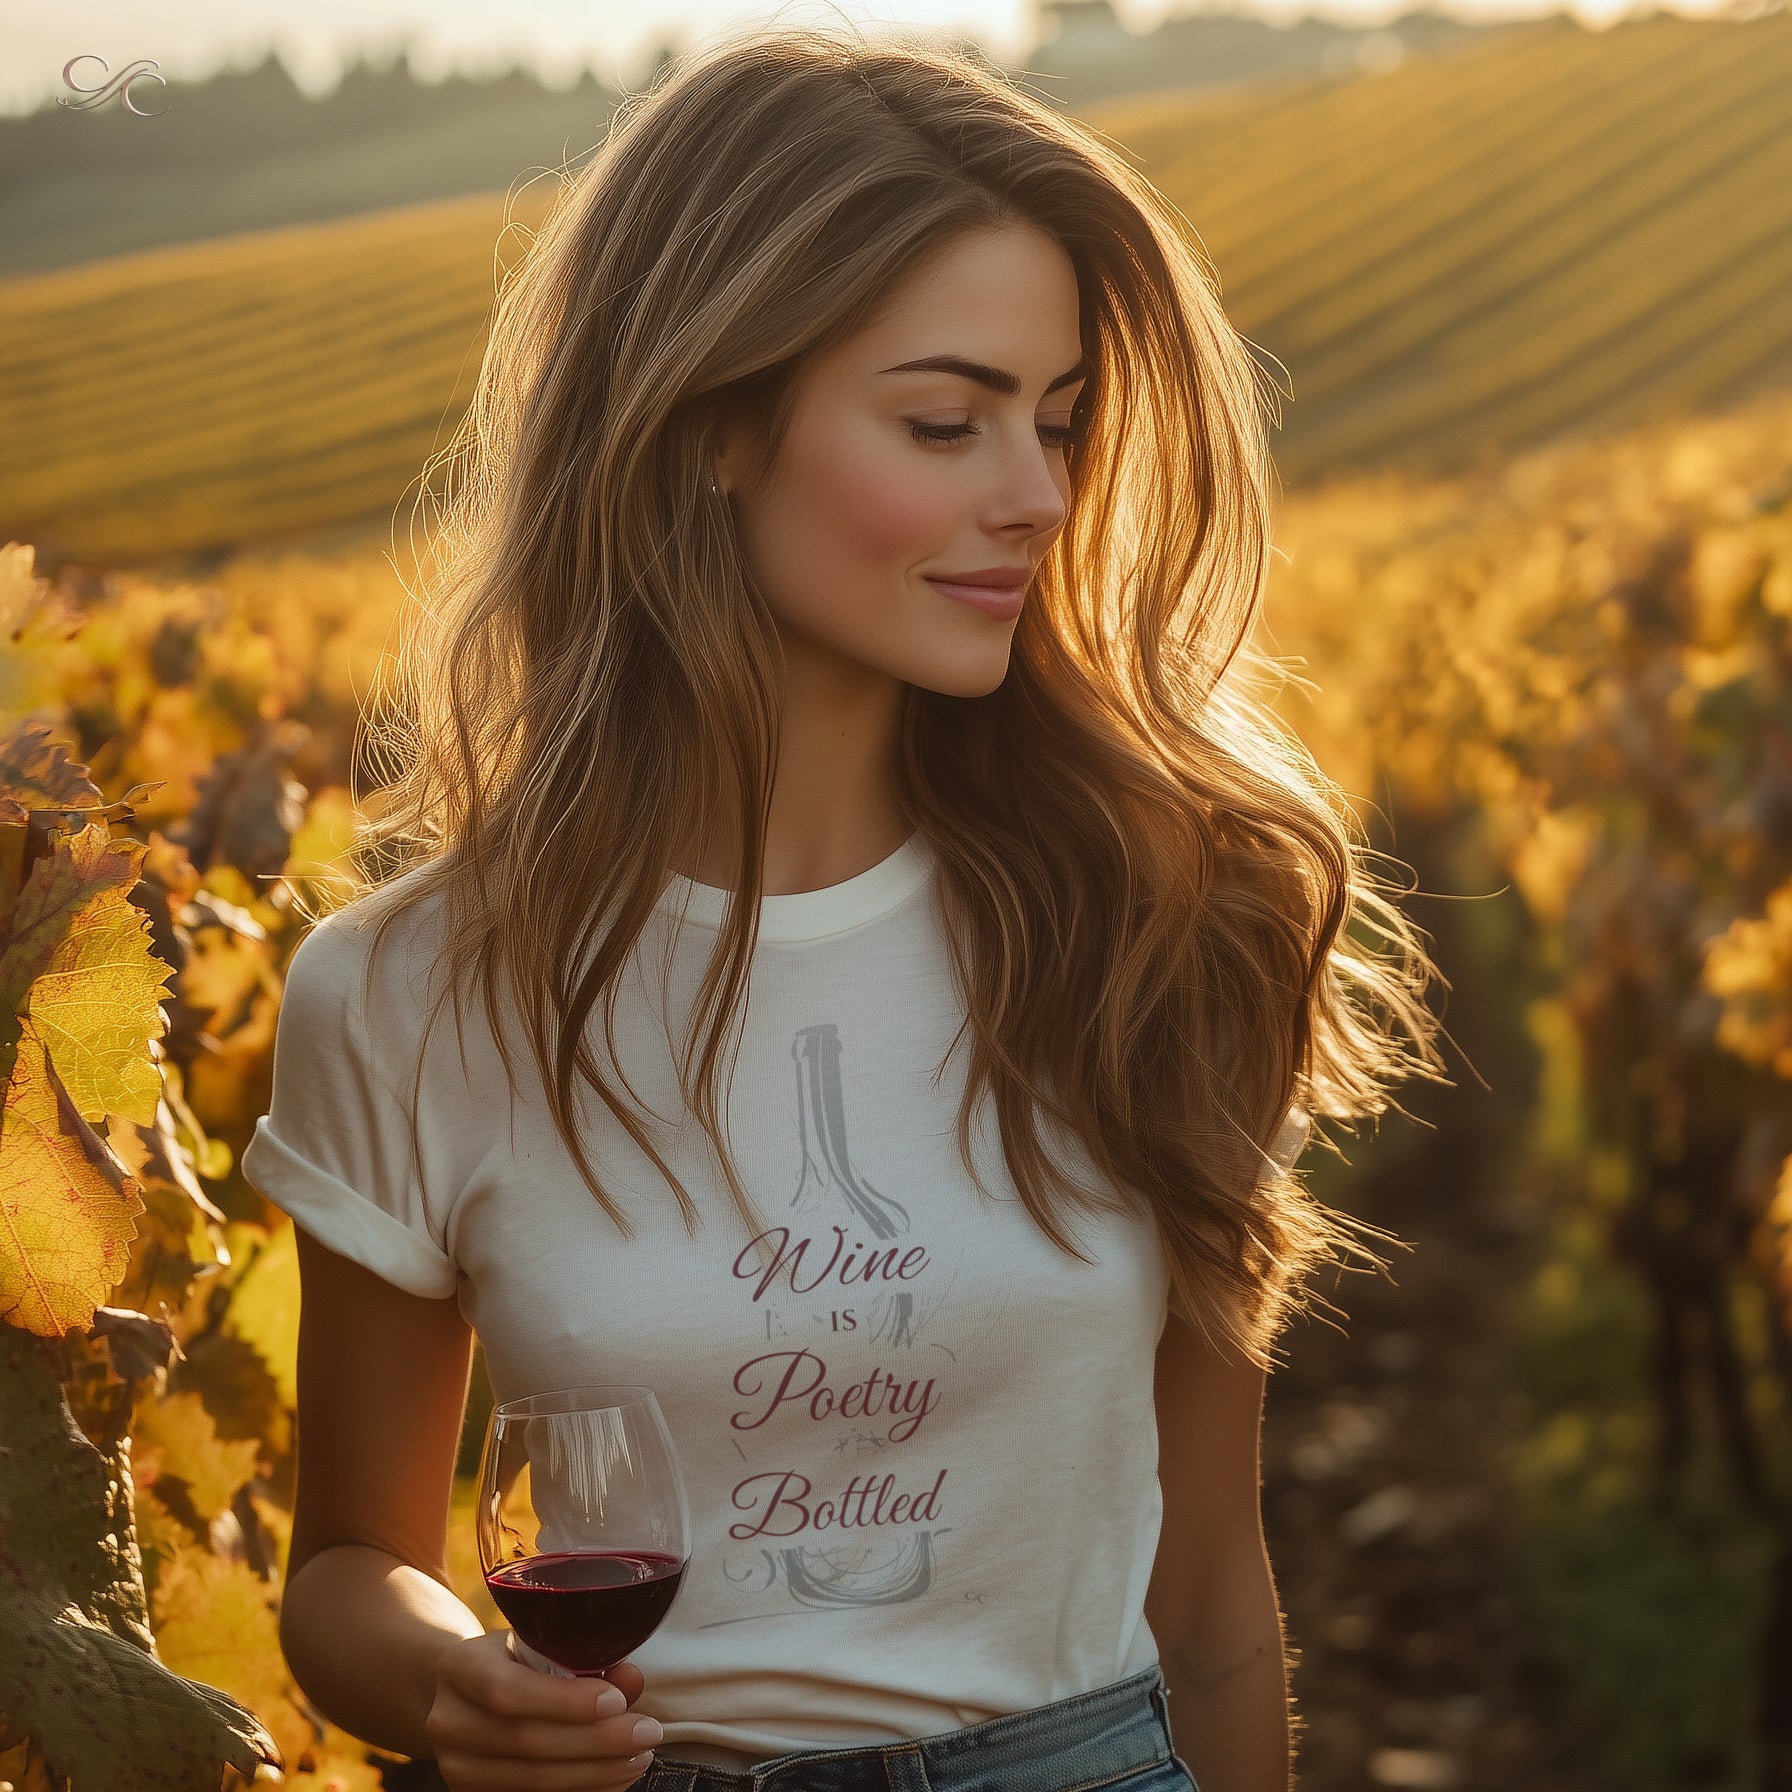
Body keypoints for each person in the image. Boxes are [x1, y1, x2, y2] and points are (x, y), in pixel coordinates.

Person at [244, 25, 1445, 1792]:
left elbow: (1209, 1598)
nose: (1035, 497)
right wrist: (452, 1687)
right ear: (714, 419)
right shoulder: (409, 991)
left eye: (1058, 422)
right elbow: (350, 1569)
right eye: (946, 422)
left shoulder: (1167, 919)